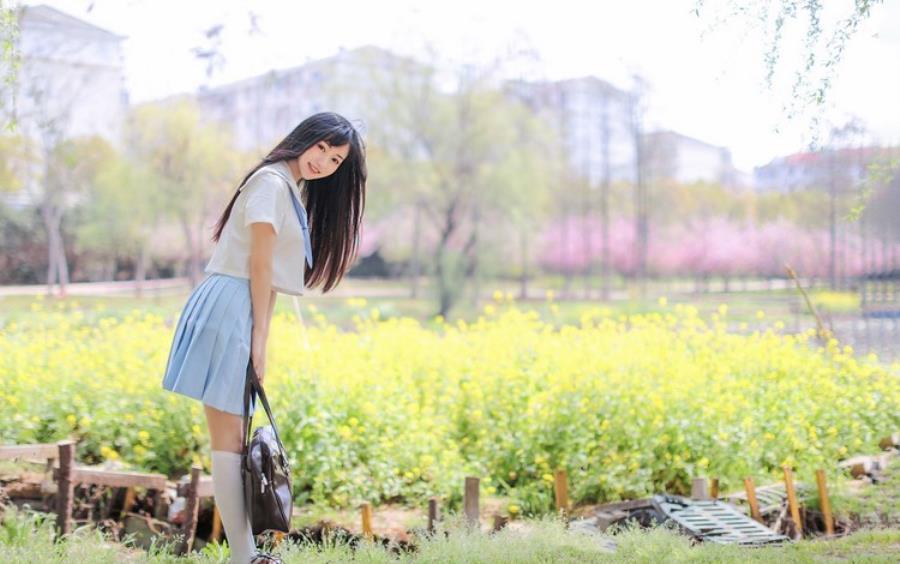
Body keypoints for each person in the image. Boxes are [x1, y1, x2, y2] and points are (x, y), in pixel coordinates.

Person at [161, 112, 367, 563]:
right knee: (228, 439)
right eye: (323, 150)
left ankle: (245, 555)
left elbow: (270, 278)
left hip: (239, 306)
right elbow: (258, 265)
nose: (325, 163)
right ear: (305, 139)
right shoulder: (272, 184)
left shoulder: (286, 189)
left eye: (335, 160)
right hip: (230, 304)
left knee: (232, 439)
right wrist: (257, 339)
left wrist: (261, 338)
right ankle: (244, 556)